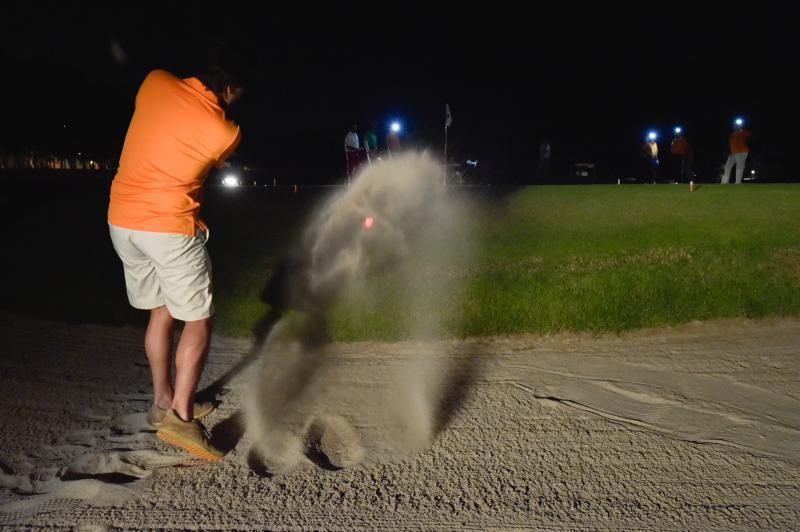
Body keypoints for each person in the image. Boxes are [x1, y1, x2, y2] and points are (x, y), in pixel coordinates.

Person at [107, 51, 247, 461]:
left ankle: (161, 402)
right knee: (198, 318)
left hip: (121, 220)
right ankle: (181, 418)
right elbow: (214, 158)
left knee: (160, 310)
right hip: (168, 227)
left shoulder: (154, 80)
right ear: (230, 88)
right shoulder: (225, 130)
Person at [721, 118, 752, 184]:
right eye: (735, 125)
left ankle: (738, 182)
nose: (735, 126)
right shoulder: (732, 134)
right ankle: (724, 182)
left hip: (742, 151)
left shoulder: (743, 132)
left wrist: (741, 130)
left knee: (739, 166)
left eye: (737, 125)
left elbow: (750, 135)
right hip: (733, 152)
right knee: (727, 167)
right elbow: (729, 143)